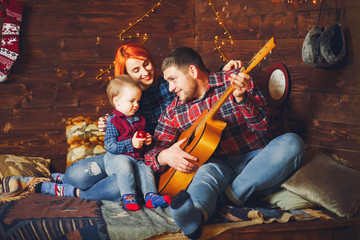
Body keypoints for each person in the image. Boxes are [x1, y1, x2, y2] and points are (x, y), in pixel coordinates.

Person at [43, 43, 239, 202]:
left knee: (120, 186)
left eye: (146, 64)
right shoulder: (129, 96)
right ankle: (64, 180)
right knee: (76, 175)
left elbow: (195, 85)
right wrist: (110, 122)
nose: (145, 72)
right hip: (124, 154)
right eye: (136, 70)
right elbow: (118, 121)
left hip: (151, 161)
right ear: (126, 75)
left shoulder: (171, 87)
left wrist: (223, 72)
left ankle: (76, 194)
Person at [144, 47, 305, 239]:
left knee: (293, 142)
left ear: (193, 72)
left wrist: (242, 99)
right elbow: (150, 154)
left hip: (257, 159)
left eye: (173, 79)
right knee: (205, 174)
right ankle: (193, 217)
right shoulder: (173, 111)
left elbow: (267, 128)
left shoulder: (235, 80)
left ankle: (230, 196)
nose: (170, 88)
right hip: (218, 166)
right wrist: (164, 155)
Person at [37, 75, 171, 210]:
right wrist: (131, 143)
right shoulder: (113, 121)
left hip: (137, 159)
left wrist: (147, 139)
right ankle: (128, 197)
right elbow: (110, 146)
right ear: (117, 101)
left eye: (138, 101)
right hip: (117, 158)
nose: (136, 105)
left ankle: (151, 196)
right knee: (124, 166)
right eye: (132, 101)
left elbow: (144, 137)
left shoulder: (140, 119)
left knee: (146, 169)